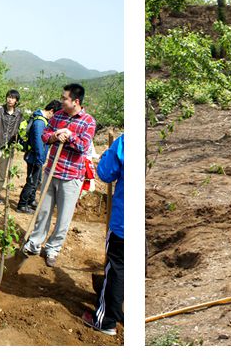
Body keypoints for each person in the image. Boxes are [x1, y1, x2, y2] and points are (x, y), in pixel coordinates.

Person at [22, 83, 98, 267]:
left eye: (65, 98)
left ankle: (53, 249)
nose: (62, 101)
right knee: (44, 211)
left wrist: (69, 136)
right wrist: (56, 136)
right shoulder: (58, 116)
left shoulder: (88, 121)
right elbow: (45, 136)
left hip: (72, 176)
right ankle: (34, 243)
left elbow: (83, 146)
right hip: (52, 171)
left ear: (76, 101)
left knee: (64, 217)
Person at [84, 131, 123, 336]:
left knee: (116, 268)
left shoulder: (125, 141)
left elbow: (106, 173)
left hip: (123, 223)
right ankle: (123, 311)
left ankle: (106, 320)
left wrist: (107, 154)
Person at [17, 100, 58, 214]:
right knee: (31, 181)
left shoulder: (42, 120)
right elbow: (38, 142)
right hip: (34, 157)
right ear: (51, 111)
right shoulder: (40, 122)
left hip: (37, 157)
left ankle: (30, 201)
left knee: (36, 180)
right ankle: (22, 204)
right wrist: (40, 159)